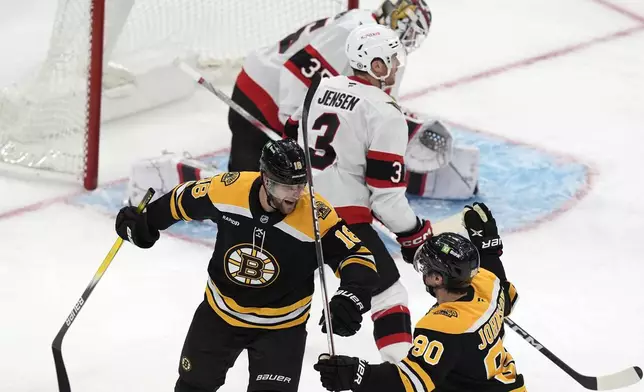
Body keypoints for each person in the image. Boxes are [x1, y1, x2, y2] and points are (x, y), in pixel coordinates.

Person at [114, 138, 379, 392]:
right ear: (265, 179)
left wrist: (351, 295)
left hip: (282, 329)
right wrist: (145, 222)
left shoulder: (315, 214)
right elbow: (181, 200)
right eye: (287, 185)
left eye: (300, 184)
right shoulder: (229, 190)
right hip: (219, 316)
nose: (296, 194)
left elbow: (358, 256)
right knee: (192, 388)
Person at [286, 24, 433, 363]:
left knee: (287, 297)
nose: (396, 66)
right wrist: (413, 232)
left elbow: (290, 134)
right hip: (340, 223)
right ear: (375, 64)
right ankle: (403, 378)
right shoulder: (385, 111)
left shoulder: (319, 85)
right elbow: (386, 199)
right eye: (392, 59)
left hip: (293, 211)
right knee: (388, 293)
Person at [313, 202, 526, 392]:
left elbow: (408, 383)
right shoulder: (488, 283)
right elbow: (507, 298)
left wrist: (355, 374)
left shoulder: (444, 326)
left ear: (437, 279)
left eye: (426, 268)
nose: (422, 271)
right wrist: (489, 248)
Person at [227, 0, 431, 172]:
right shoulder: (353, 30)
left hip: (286, 103)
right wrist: (295, 134)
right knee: (249, 192)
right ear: (396, 19)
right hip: (259, 93)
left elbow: (380, 105)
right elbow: (297, 73)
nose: (410, 41)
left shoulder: (390, 53)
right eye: (411, 32)